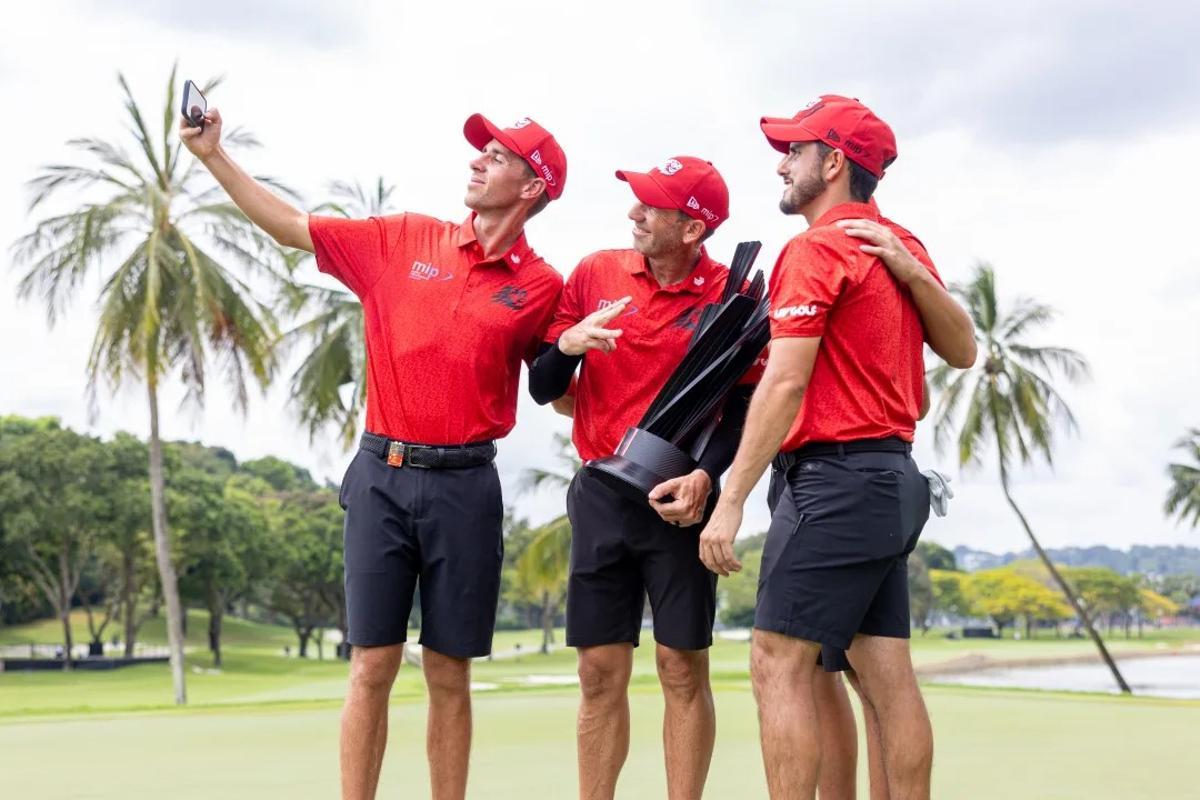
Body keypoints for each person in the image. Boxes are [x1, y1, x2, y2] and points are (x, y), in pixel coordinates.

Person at [181, 106, 567, 800]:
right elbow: (292, 228)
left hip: (466, 490)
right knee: (372, 663)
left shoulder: (541, 287)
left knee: (449, 671)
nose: (478, 162)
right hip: (381, 480)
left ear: (533, 186)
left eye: (499, 157)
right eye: (481, 153)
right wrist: (214, 156)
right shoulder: (402, 238)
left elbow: (557, 391)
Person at [698, 95, 975, 800]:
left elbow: (786, 384)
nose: (782, 164)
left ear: (833, 162)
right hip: (890, 482)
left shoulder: (816, 250)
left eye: (794, 151)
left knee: (775, 661)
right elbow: (964, 350)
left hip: (838, 482)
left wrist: (729, 499)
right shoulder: (902, 243)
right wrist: (913, 274)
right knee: (883, 672)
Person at [528, 156, 754, 800]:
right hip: (601, 492)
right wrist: (566, 346)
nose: (634, 213)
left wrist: (708, 478)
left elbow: (742, 403)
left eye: (651, 206)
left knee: (681, 667)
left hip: (680, 499)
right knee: (599, 673)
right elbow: (544, 384)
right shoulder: (596, 272)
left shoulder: (728, 295)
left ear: (692, 229)